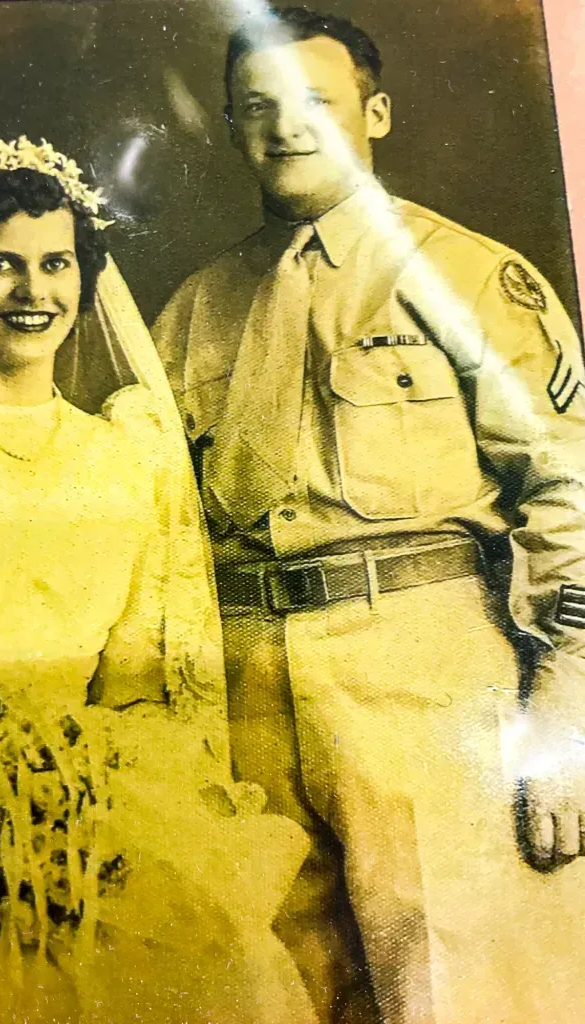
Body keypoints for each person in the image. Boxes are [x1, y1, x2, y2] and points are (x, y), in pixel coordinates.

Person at [0, 137, 317, 1024]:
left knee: (217, 970)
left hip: (88, 804)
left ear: (84, 280)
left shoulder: (126, 454)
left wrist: (86, 807)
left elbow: (133, 678)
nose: (32, 292)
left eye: (55, 265)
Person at [153, 7, 585, 1023]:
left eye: (316, 103)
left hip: (428, 686)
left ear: (375, 113)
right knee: (275, 998)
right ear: (230, 126)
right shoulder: (191, 310)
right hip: (244, 701)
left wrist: (564, 720)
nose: (287, 129)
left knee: (456, 995)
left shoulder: (471, 278)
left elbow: (573, 496)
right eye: (257, 108)